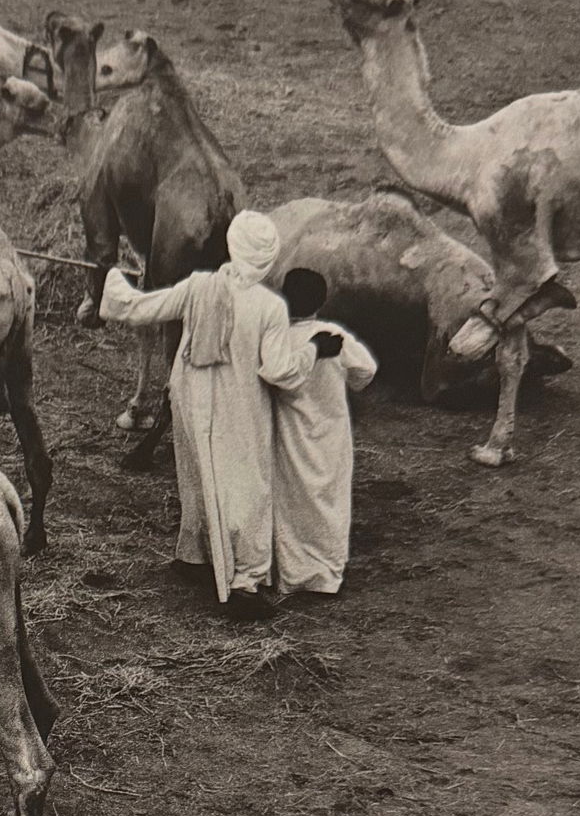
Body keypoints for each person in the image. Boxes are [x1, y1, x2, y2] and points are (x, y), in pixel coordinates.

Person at [100, 210, 289, 619]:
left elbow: (141, 308)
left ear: (233, 247)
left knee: (196, 471)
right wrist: (308, 356)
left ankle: (194, 554)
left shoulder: (198, 286)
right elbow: (277, 371)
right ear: (268, 258)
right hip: (241, 402)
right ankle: (245, 583)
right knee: (249, 484)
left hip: (191, 394)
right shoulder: (271, 307)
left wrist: (113, 281)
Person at [260, 268, 377, 596]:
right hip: (330, 430)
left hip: (292, 431)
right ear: (323, 300)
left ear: (284, 298)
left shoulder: (278, 338)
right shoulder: (333, 334)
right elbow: (366, 370)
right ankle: (327, 574)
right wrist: (347, 382)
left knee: (292, 498)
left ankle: (293, 572)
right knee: (331, 498)